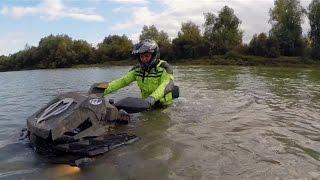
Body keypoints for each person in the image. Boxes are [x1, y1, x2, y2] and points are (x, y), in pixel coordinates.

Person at [102, 39, 175, 109]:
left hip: (164, 106)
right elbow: (122, 81)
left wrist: (151, 98)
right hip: (146, 105)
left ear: (154, 55)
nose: (144, 59)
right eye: (141, 56)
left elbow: (167, 84)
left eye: (147, 56)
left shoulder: (164, 67)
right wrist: (102, 90)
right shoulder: (137, 70)